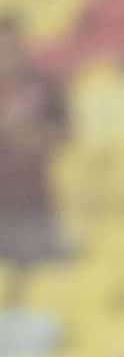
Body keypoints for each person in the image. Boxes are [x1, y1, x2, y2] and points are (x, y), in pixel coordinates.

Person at [0, 15, 68, 266]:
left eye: (10, 45)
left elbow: (64, 136)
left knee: (46, 276)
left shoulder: (45, 86)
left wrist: (26, 134)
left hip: (34, 205)